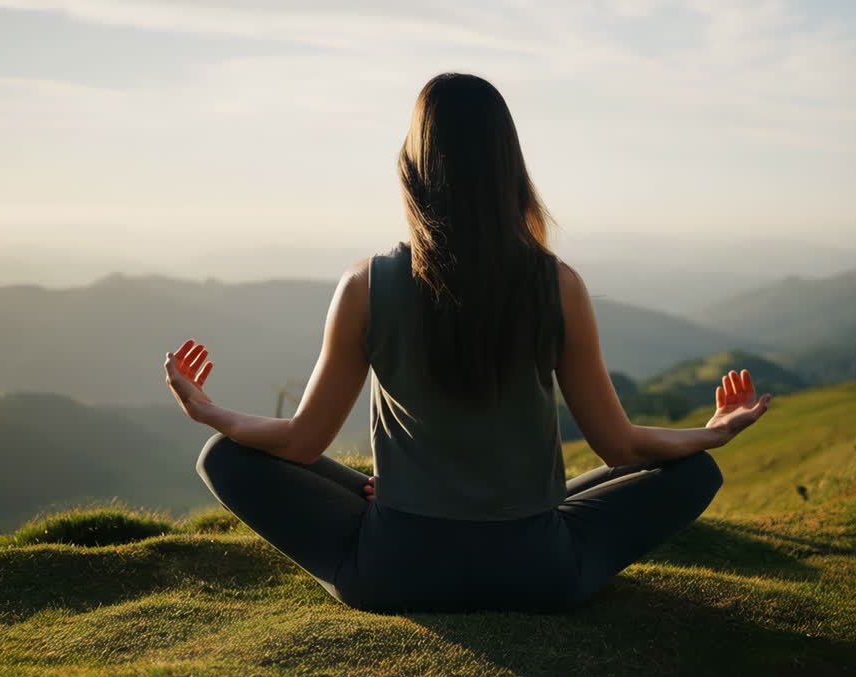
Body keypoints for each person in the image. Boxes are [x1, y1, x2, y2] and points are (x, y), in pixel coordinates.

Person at [163, 72, 772, 613]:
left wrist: (212, 413)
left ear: (415, 165)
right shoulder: (559, 286)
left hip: (394, 569)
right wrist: (711, 431)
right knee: (693, 474)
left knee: (224, 455)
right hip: (538, 573)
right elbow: (620, 445)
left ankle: (384, 530)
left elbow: (300, 443)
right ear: (510, 168)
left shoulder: (363, 286)